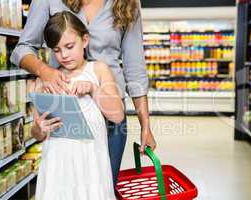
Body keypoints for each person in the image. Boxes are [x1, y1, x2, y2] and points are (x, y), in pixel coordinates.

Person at [11, 0, 156, 186]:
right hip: (66, 109)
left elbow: (134, 66)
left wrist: (145, 125)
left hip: (109, 112)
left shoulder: (127, 3)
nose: (64, 54)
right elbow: (22, 48)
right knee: (67, 185)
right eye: (58, 50)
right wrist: (44, 70)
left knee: (103, 186)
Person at [32, 11, 123, 199]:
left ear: (85, 40)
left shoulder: (98, 70)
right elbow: (37, 133)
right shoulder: (47, 80)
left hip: (90, 164)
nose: (63, 55)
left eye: (69, 46)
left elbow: (117, 115)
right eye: (56, 50)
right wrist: (39, 129)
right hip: (57, 164)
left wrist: (92, 89)